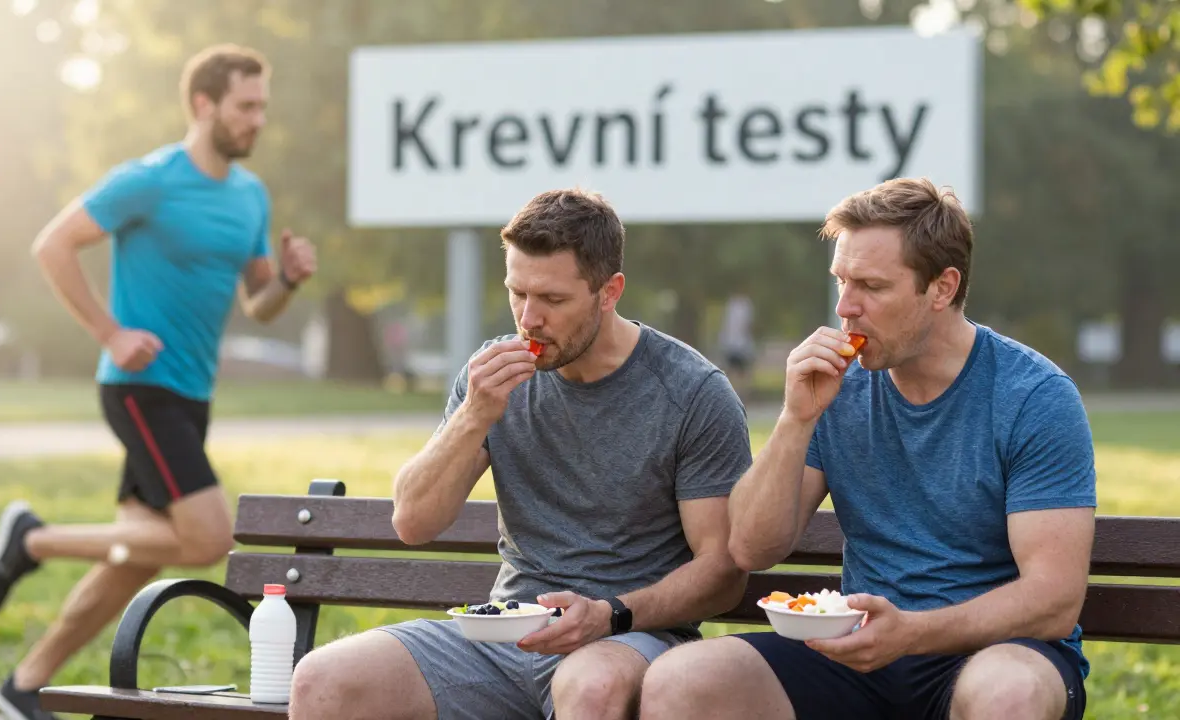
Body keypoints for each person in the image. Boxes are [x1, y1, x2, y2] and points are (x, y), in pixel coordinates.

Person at [640, 177, 1097, 720]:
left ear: (942, 288)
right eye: (841, 281)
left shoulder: (1033, 397)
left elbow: (1054, 598)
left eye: (871, 287)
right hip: (860, 650)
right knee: (681, 680)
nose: (846, 309)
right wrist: (795, 418)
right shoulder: (840, 388)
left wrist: (913, 633)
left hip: (997, 652)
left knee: (1007, 694)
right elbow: (750, 549)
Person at [287, 188, 753, 720]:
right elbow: (413, 521)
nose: (528, 319)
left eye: (552, 300)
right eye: (517, 293)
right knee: (323, 681)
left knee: (591, 687)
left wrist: (608, 614)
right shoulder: (491, 374)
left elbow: (722, 570)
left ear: (609, 291)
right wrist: (473, 417)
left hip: (629, 636)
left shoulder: (691, 392)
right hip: (504, 633)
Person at [0, 44, 317, 720]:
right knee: (209, 538)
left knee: (133, 558)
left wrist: (286, 279)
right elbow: (54, 243)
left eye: (262, 108)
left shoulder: (250, 194)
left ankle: (24, 683)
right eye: (245, 106)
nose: (258, 120)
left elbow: (258, 302)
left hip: (192, 396)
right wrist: (109, 333)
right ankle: (33, 540)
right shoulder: (151, 179)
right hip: (140, 386)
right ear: (203, 104)